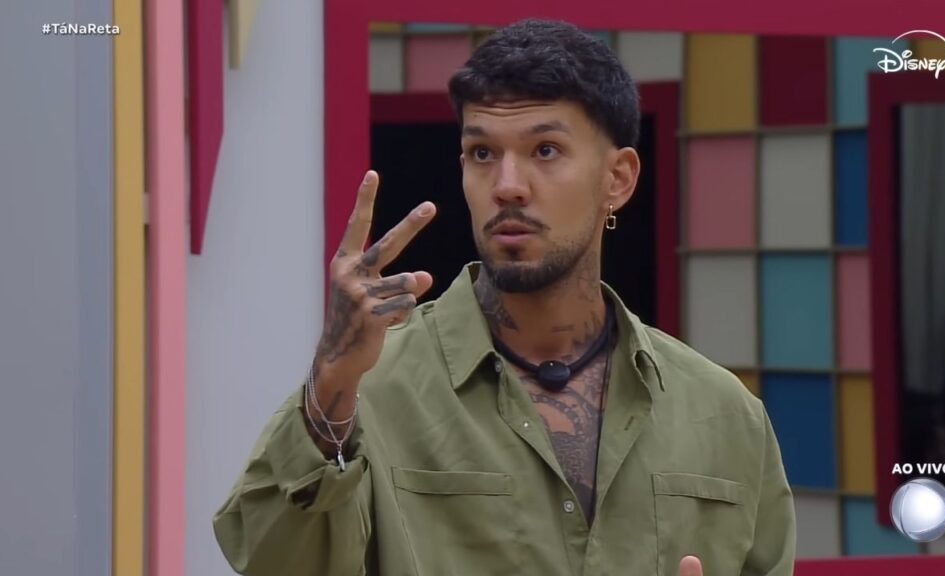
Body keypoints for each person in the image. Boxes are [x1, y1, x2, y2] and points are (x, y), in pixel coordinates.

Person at [214, 18, 796, 576]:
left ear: (617, 179)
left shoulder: (724, 416)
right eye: (483, 154)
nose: (507, 186)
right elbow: (272, 561)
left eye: (545, 150)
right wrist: (332, 384)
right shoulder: (372, 388)